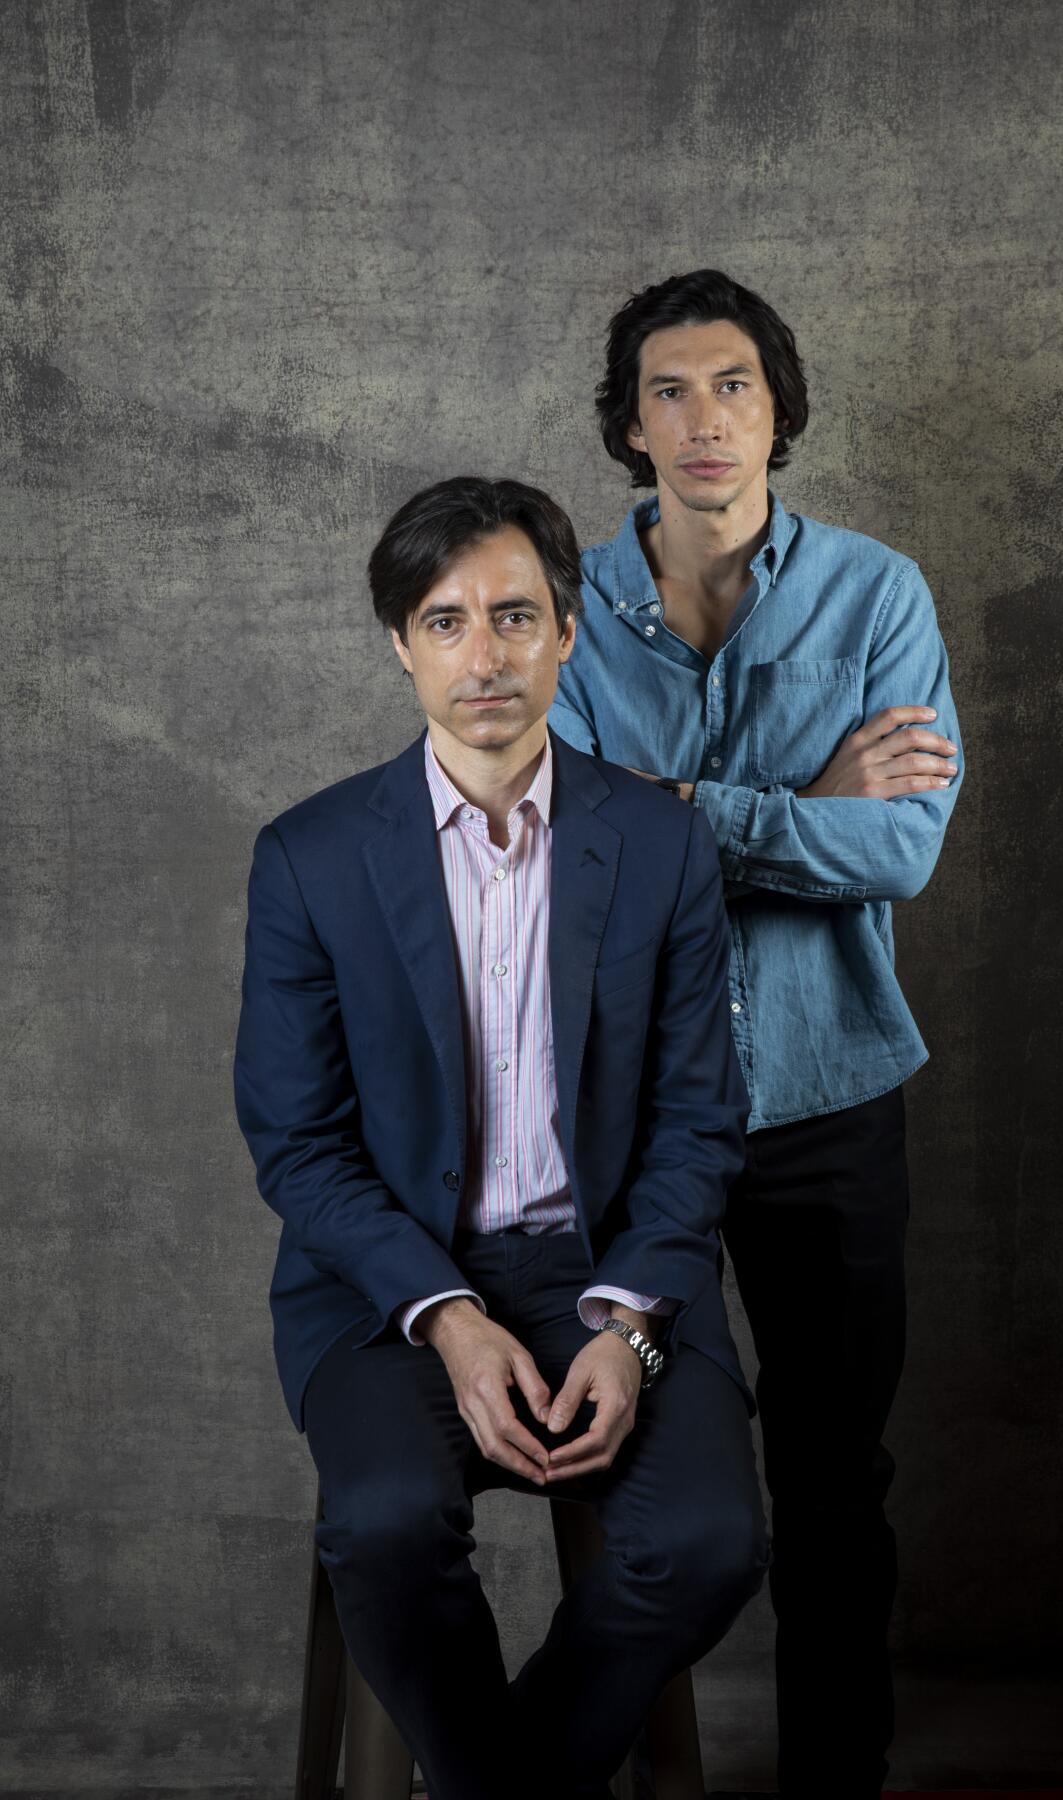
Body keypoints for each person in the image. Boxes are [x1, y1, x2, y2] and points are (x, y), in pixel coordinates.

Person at [233, 474, 769, 1800]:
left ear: (570, 633)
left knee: (707, 1541)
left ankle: (502, 1778)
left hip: (610, 1262)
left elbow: (702, 1121)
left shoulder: (658, 844)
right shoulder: (310, 858)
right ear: (402, 645)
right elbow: (298, 1146)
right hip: (390, 1289)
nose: (487, 654)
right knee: (385, 1526)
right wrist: (448, 1315)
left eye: (517, 616)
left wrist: (634, 1324)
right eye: (448, 620)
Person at [548, 270, 965, 1800]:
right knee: (622, 1468)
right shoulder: (565, 607)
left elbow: (905, 852)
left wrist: (684, 819)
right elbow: (571, 868)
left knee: (836, 1480)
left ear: (778, 404)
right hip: (631, 1113)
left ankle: (831, 1781)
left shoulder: (879, 596)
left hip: (831, 1097)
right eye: (669, 388)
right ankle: (583, 1763)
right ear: (627, 422)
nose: (704, 418)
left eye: (733, 383)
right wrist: (803, 811)